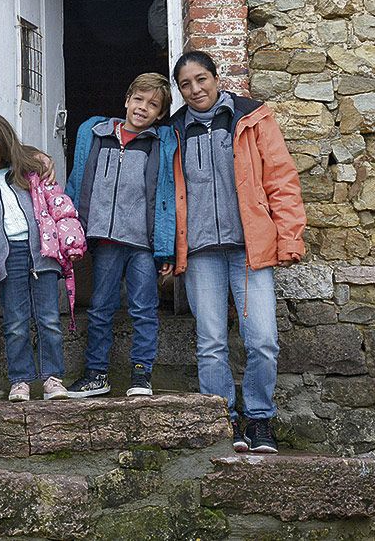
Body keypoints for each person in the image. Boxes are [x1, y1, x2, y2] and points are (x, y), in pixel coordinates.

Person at [169, 50, 306, 454]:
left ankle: (260, 419)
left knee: (262, 339)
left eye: (201, 80)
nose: (195, 90)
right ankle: (221, 420)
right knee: (210, 341)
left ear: (216, 77)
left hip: (249, 249)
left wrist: (290, 237)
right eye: (185, 85)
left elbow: (281, 180)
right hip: (200, 253)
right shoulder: (174, 130)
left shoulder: (254, 118)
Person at [63, 73, 177, 398]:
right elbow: (78, 180)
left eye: (153, 104)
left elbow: (167, 199)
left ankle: (141, 375)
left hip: (142, 244)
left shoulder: (159, 144)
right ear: (127, 100)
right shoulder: (96, 134)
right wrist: (72, 231)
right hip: (105, 242)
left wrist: (166, 249)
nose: (143, 107)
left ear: (160, 114)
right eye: (139, 99)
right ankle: (96, 374)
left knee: (144, 307)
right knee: (100, 307)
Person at [0, 114, 87, 402]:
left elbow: (59, 206)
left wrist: (71, 241)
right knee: (15, 322)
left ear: (4, 148)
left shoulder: (30, 174)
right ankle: (21, 380)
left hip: (42, 253)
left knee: (49, 319)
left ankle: (53, 378)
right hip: (6, 258)